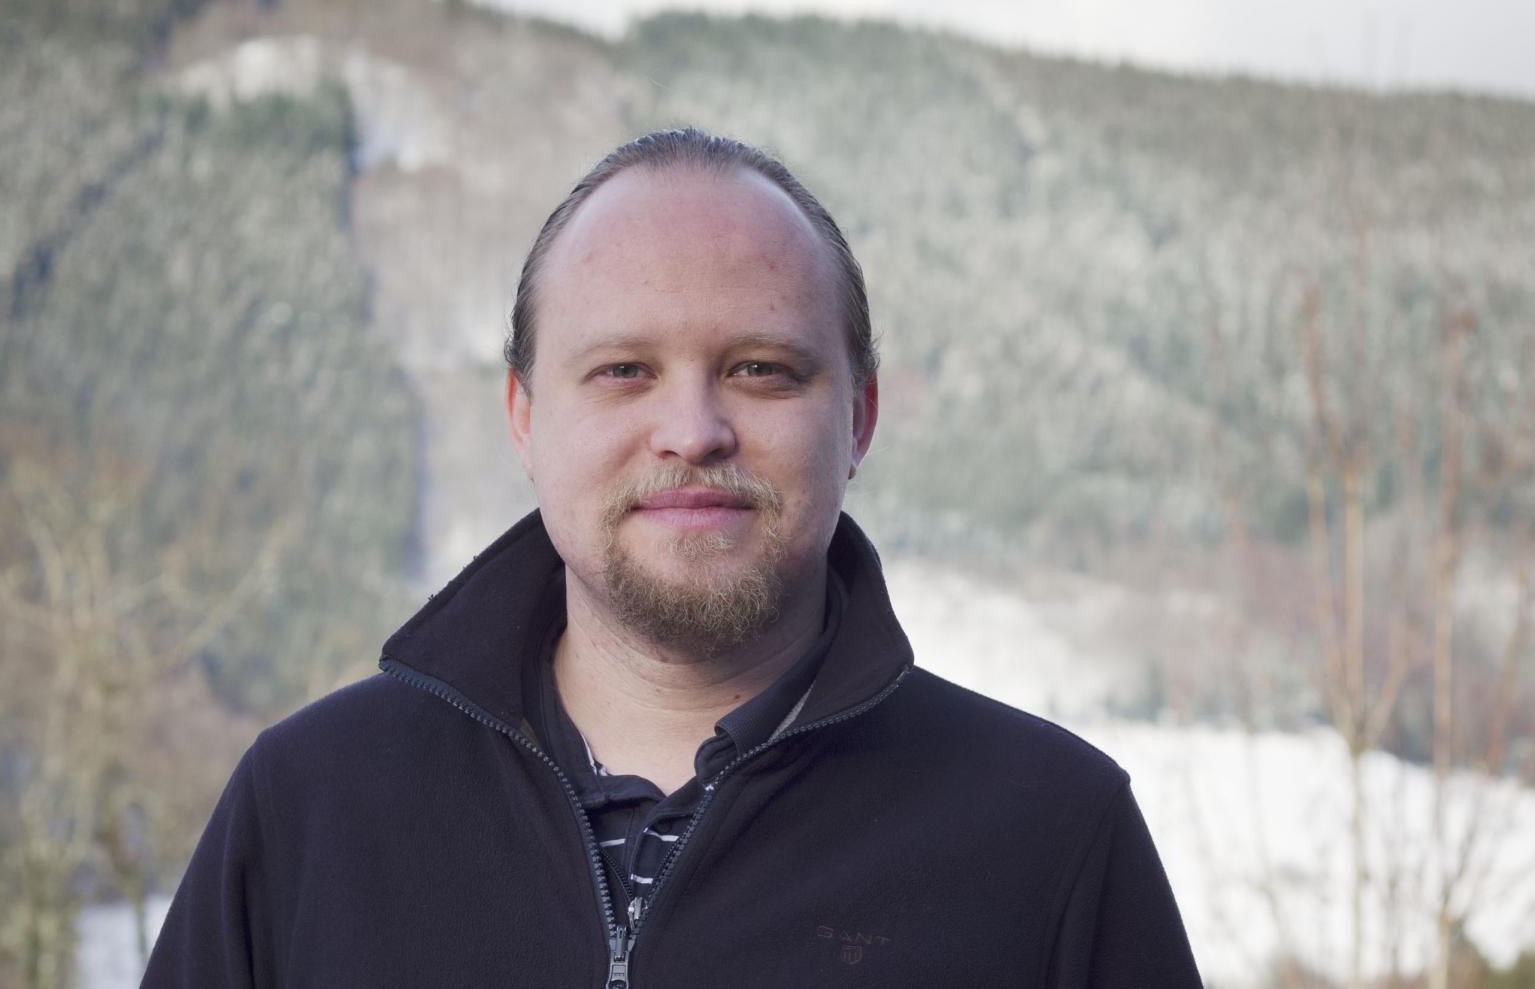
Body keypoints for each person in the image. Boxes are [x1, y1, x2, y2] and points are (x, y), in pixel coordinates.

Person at [142, 128, 1202, 987]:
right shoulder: (310, 811)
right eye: (621, 371)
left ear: (860, 418)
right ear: (521, 416)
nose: (691, 430)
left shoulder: (1050, 837)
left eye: (759, 370)